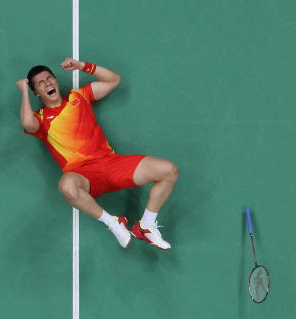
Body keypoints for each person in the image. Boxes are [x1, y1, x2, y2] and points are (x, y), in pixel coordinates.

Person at [16, 58, 178, 250]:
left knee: (169, 170)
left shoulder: (79, 97)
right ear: (36, 92)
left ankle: (146, 225)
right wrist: (24, 91)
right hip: (84, 176)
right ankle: (113, 222)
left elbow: (113, 80)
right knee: (67, 186)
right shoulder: (40, 119)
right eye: (40, 83)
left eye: (49, 78)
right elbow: (27, 123)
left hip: (112, 164)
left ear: (56, 81)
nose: (47, 83)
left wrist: (82, 66)